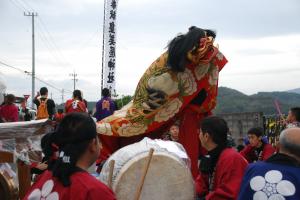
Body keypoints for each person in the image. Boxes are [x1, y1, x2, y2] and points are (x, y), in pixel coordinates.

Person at [96, 26, 228, 178]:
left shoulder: (175, 53)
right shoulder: (204, 55)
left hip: (183, 109)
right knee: (190, 154)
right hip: (188, 112)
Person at [23, 113, 116, 200]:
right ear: (93, 144)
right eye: (98, 139)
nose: (100, 145)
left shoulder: (45, 177)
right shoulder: (95, 191)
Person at [238, 128, 300, 200]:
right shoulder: (250, 147)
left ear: (260, 138)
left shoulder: (268, 148)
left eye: (252, 137)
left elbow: (267, 163)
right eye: (249, 138)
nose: (250, 140)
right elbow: (240, 156)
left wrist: (253, 165)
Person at [196, 116, 248, 199]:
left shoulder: (232, 158)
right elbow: (200, 189)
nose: (199, 135)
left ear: (206, 136)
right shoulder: (211, 156)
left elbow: (228, 194)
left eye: (200, 132)